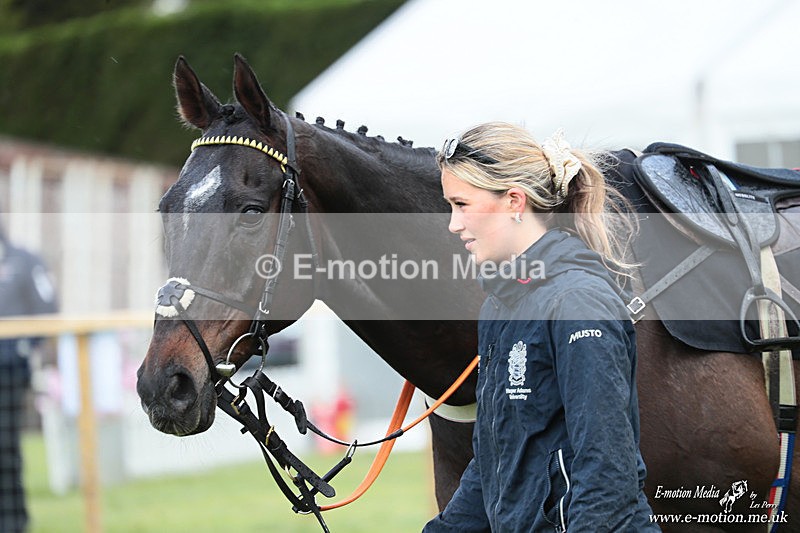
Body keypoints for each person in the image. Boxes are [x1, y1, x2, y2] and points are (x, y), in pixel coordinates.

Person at [424, 123, 658, 532]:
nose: (453, 225)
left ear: (515, 200)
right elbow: (493, 463)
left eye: (462, 204)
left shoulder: (578, 302)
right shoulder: (499, 306)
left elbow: (609, 474)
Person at [0, 221, 57, 533]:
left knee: (4, 447)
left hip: (6, 372)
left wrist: (24, 347)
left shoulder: (21, 261)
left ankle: (12, 523)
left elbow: (47, 307)